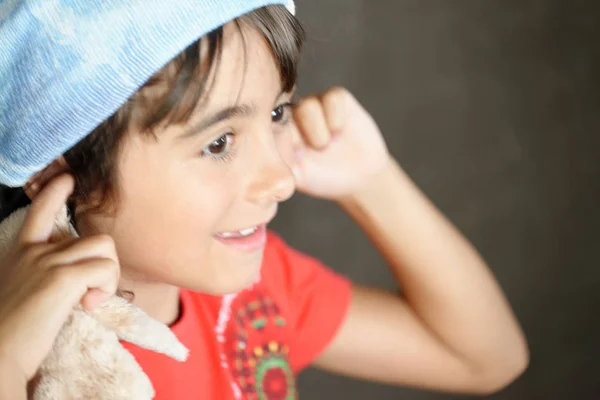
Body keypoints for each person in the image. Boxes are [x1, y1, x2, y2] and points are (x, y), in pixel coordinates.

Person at [0, 1, 528, 399]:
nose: (281, 179)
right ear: (55, 166)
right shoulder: (28, 350)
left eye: (276, 113)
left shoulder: (252, 296)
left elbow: (484, 358)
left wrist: (373, 183)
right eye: (218, 142)